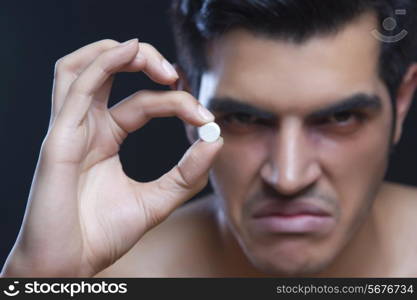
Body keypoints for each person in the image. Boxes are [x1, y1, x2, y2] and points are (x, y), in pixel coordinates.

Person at [2, 0, 417, 278]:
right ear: (188, 106)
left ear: (400, 105)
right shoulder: (108, 278)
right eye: (243, 118)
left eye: (340, 118)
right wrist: (38, 280)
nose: (288, 177)